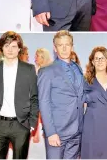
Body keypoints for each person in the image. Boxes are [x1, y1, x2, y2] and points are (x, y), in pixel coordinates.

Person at [0, 31, 38, 159]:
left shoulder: (29, 69)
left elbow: (34, 98)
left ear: (19, 48)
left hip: (21, 125)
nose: (10, 50)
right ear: (1, 47)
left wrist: (31, 124)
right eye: (7, 46)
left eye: (14, 46)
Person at [37, 30, 84, 159]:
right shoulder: (46, 71)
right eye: (60, 45)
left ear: (72, 46)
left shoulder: (78, 68)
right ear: (55, 48)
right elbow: (43, 102)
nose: (64, 48)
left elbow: (80, 96)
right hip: (57, 132)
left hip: (77, 131)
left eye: (67, 44)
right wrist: (51, 132)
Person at [81, 47, 107, 159]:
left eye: (102, 58)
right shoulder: (86, 80)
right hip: (92, 124)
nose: (100, 61)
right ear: (92, 62)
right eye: (96, 59)